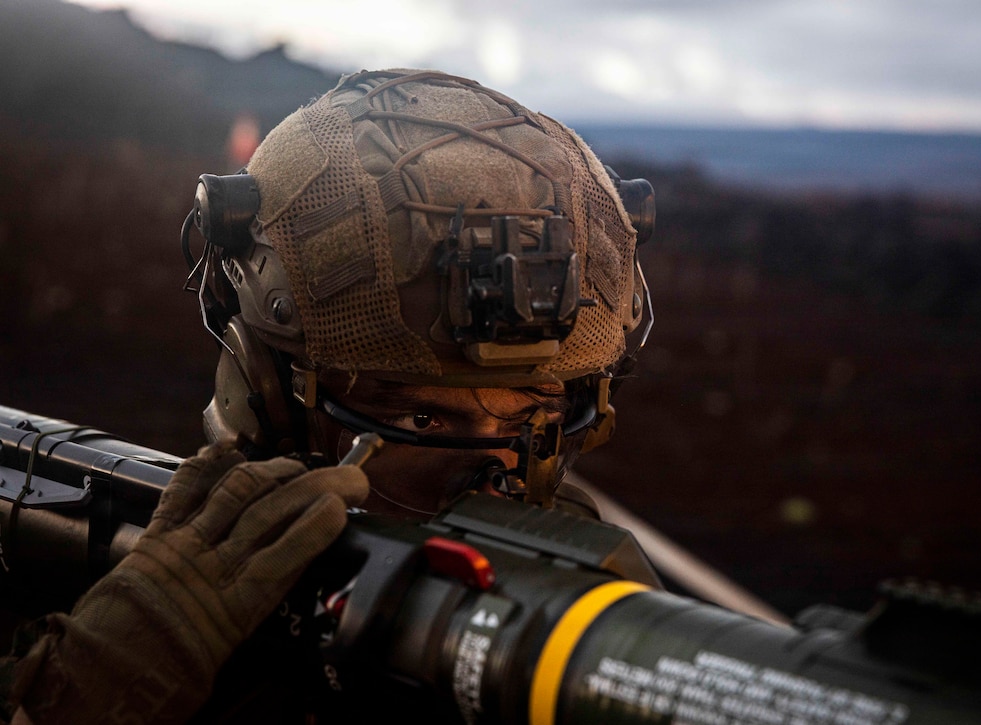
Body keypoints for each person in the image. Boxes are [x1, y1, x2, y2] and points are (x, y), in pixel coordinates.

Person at [3, 68, 656, 723]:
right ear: (267, 390)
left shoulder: (592, 600)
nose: (489, 483)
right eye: (419, 417)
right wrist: (90, 687)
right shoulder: (130, 626)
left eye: (535, 415)